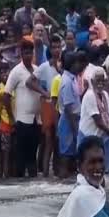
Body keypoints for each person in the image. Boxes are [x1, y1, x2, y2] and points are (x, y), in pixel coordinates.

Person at [5, 38, 46, 178]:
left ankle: (33, 185)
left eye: (30, 53)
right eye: (25, 53)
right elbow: (6, 95)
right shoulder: (16, 72)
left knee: (32, 155)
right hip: (22, 121)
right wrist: (12, 118)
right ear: (21, 54)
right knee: (20, 157)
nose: (28, 56)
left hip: (36, 120)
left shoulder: (37, 70)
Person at [34, 39, 62, 177]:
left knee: (58, 141)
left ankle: (57, 171)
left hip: (61, 106)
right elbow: (30, 82)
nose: (57, 50)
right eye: (54, 47)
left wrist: (59, 69)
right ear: (50, 50)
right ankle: (45, 173)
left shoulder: (64, 65)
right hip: (47, 104)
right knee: (49, 140)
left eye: (58, 47)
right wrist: (43, 92)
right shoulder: (44, 67)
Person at [57, 49, 86, 179]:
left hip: (73, 118)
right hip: (69, 119)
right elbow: (68, 107)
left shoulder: (72, 79)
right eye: (77, 63)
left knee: (71, 152)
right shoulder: (67, 81)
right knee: (66, 153)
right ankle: (63, 179)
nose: (80, 66)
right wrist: (75, 127)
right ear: (72, 65)